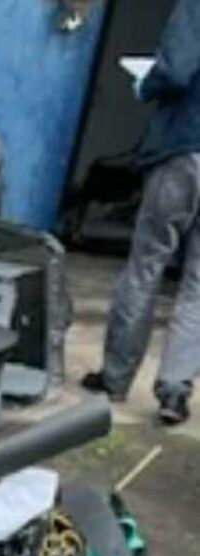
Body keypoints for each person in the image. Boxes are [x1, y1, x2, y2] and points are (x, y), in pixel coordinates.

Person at [84, 0, 200, 425]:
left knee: (146, 265)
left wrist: (146, 84)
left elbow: (176, 70)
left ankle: (115, 378)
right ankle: (175, 391)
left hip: (185, 149)